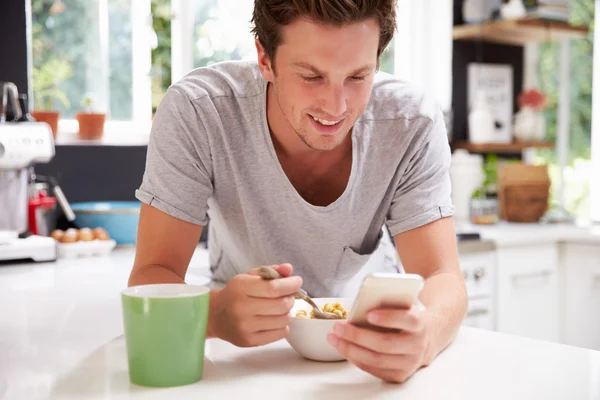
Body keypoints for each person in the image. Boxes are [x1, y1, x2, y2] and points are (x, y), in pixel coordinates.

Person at [129, 0, 467, 384]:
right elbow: (151, 278)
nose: (336, 106)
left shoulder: (411, 121)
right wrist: (215, 314)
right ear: (264, 58)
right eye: (311, 76)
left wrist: (425, 335)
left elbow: (443, 276)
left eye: (358, 76)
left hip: (371, 352)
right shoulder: (199, 112)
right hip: (243, 353)